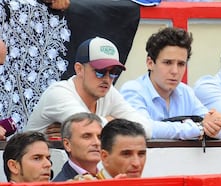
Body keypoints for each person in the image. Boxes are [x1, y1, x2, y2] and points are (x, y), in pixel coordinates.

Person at [24, 37, 152, 139]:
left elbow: (146, 129)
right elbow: (89, 127)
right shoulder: (58, 93)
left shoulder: (109, 92)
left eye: (114, 71)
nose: (107, 79)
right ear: (79, 69)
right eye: (100, 71)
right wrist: (112, 121)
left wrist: (107, 123)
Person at [120, 27, 221, 140]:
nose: (175, 71)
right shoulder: (133, 90)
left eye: (181, 64)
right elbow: (143, 128)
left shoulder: (186, 92)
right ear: (150, 63)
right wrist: (198, 128)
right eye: (167, 63)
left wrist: (214, 127)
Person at [53, 112, 103, 181]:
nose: (97, 143)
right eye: (86, 136)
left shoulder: (110, 177)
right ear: (67, 144)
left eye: (100, 137)